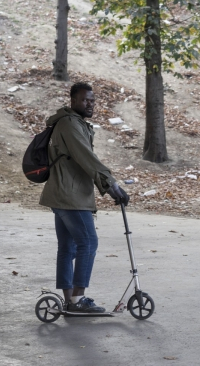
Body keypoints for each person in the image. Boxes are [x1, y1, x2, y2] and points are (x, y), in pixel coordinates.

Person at [39, 82, 129, 313]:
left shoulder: (73, 123)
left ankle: (70, 302)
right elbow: (86, 158)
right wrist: (112, 186)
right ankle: (78, 300)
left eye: (92, 100)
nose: (90, 104)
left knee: (67, 247)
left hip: (62, 193)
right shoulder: (69, 124)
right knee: (88, 242)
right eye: (85, 100)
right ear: (73, 101)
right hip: (70, 195)